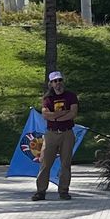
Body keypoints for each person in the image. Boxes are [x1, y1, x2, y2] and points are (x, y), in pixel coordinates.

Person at [32, 70, 77, 201]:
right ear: (51, 84)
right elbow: (45, 114)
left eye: (60, 80)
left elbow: (73, 113)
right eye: (55, 81)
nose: (58, 83)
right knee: (45, 163)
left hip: (67, 133)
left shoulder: (71, 96)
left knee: (65, 163)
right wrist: (62, 114)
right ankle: (41, 191)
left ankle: (63, 190)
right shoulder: (47, 99)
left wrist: (55, 117)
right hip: (51, 133)